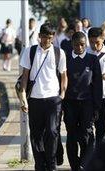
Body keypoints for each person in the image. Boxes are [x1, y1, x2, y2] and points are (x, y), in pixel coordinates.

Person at [19, 23, 68, 171]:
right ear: (39, 36)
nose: (47, 40)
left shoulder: (60, 53)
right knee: (36, 134)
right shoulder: (30, 51)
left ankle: (51, 163)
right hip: (34, 99)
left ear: (53, 37)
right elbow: (25, 76)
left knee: (53, 131)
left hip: (53, 98)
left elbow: (64, 76)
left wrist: (62, 94)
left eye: (50, 37)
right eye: (45, 37)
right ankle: (40, 164)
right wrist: (23, 98)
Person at [63, 31, 102, 171]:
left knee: (87, 136)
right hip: (70, 104)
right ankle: (74, 166)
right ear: (71, 44)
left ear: (86, 44)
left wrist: (97, 107)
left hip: (87, 104)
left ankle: (84, 163)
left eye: (82, 44)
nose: (79, 47)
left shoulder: (92, 59)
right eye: (76, 44)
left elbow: (98, 85)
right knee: (72, 135)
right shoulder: (66, 58)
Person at [87, 27, 105, 146]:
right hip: (89, 97)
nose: (94, 45)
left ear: (103, 39)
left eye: (97, 42)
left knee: (102, 130)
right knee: (88, 129)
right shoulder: (86, 52)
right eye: (92, 42)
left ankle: (99, 156)